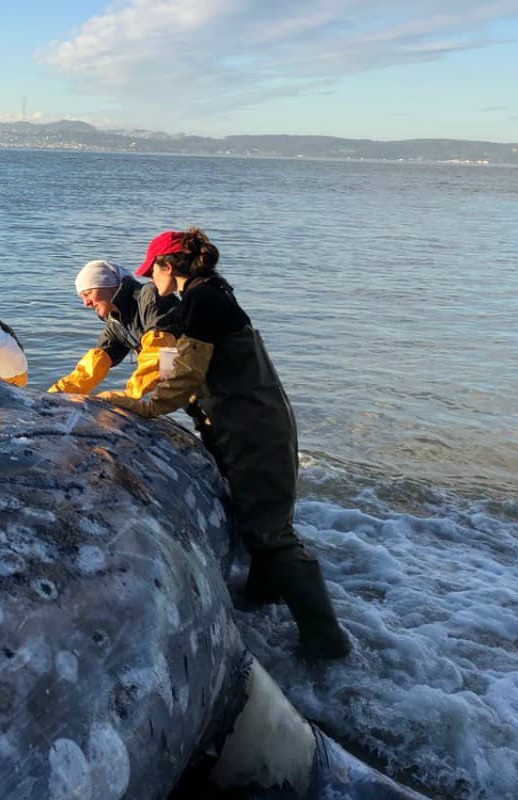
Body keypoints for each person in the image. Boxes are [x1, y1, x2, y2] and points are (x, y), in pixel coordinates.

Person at [99, 228, 351, 660]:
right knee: (258, 524)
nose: (150, 281)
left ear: (168, 266)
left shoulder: (204, 300)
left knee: (272, 534)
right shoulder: (204, 297)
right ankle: (261, 602)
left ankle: (328, 645)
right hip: (246, 428)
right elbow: (178, 366)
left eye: (152, 271)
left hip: (255, 432)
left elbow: (184, 380)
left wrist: (139, 407)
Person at [49, 259, 180, 398]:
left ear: (109, 286)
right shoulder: (116, 323)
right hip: (183, 380)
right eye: (82, 297)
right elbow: (92, 367)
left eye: (88, 294)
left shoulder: (150, 296)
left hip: (200, 368)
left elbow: (161, 350)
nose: (86, 303)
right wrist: (57, 395)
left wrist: (131, 395)